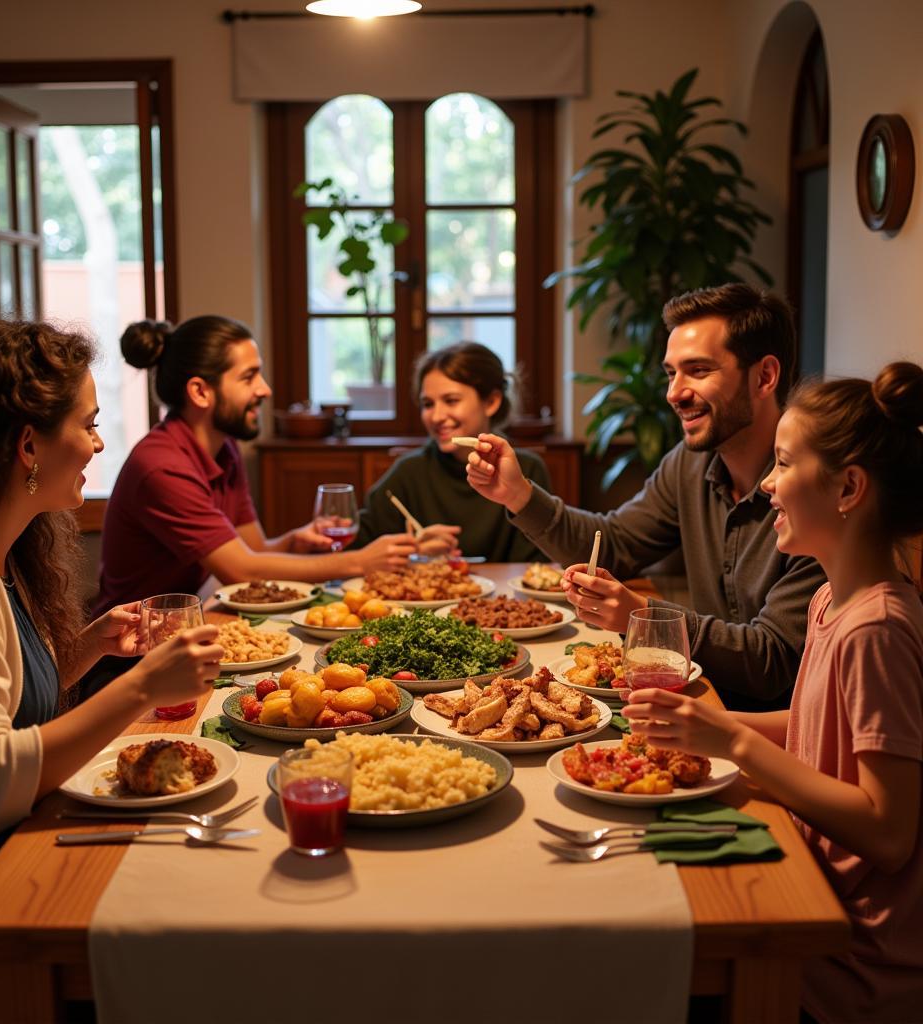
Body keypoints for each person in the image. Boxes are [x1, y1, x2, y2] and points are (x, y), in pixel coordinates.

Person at [0, 320, 225, 1021]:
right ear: (27, 445)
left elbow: (6, 706)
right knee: (172, 962)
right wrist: (140, 688)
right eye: (89, 423)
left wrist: (92, 645)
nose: (100, 444)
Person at [624, 362, 923, 1023]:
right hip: (817, 889)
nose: (765, 485)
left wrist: (731, 738)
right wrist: (698, 722)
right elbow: (818, 726)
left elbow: (889, 829)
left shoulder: (877, 627)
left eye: (783, 464)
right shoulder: (828, 601)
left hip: (849, 962)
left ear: (848, 487)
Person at [466, 283, 826, 710]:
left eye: (698, 370)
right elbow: (613, 545)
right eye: (672, 373)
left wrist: (647, 619)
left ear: (764, 376)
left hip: (773, 734)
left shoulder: (816, 488)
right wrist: (518, 494)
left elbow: (774, 663)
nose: (674, 393)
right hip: (700, 700)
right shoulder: (689, 464)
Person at [93, 316, 417, 619]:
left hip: (186, 622)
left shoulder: (225, 448)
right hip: (131, 652)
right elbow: (242, 570)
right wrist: (360, 561)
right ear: (200, 392)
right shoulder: (162, 466)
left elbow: (256, 550)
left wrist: (294, 541)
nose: (265, 389)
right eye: (249, 377)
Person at [351, 341, 552, 562]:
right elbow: (360, 548)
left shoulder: (527, 470)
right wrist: (414, 553)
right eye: (428, 404)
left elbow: (536, 566)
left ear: (491, 402)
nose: (436, 416)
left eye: (451, 401)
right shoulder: (409, 472)